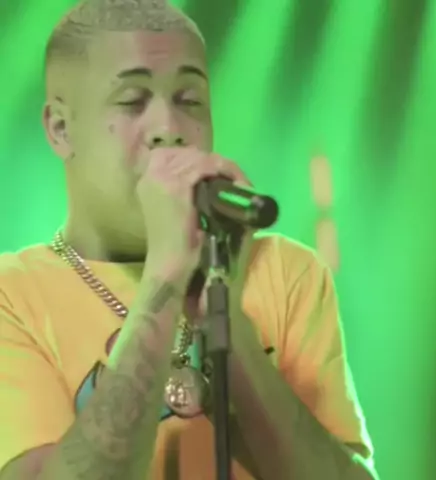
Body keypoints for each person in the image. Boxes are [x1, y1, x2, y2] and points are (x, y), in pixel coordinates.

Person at [0, 1, 377, 479]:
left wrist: (226, 320)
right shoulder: (13, 294)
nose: (170, 129)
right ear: (61, 128)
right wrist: (165, 275)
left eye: (189, 99)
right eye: (132, 100)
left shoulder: (286, 272)